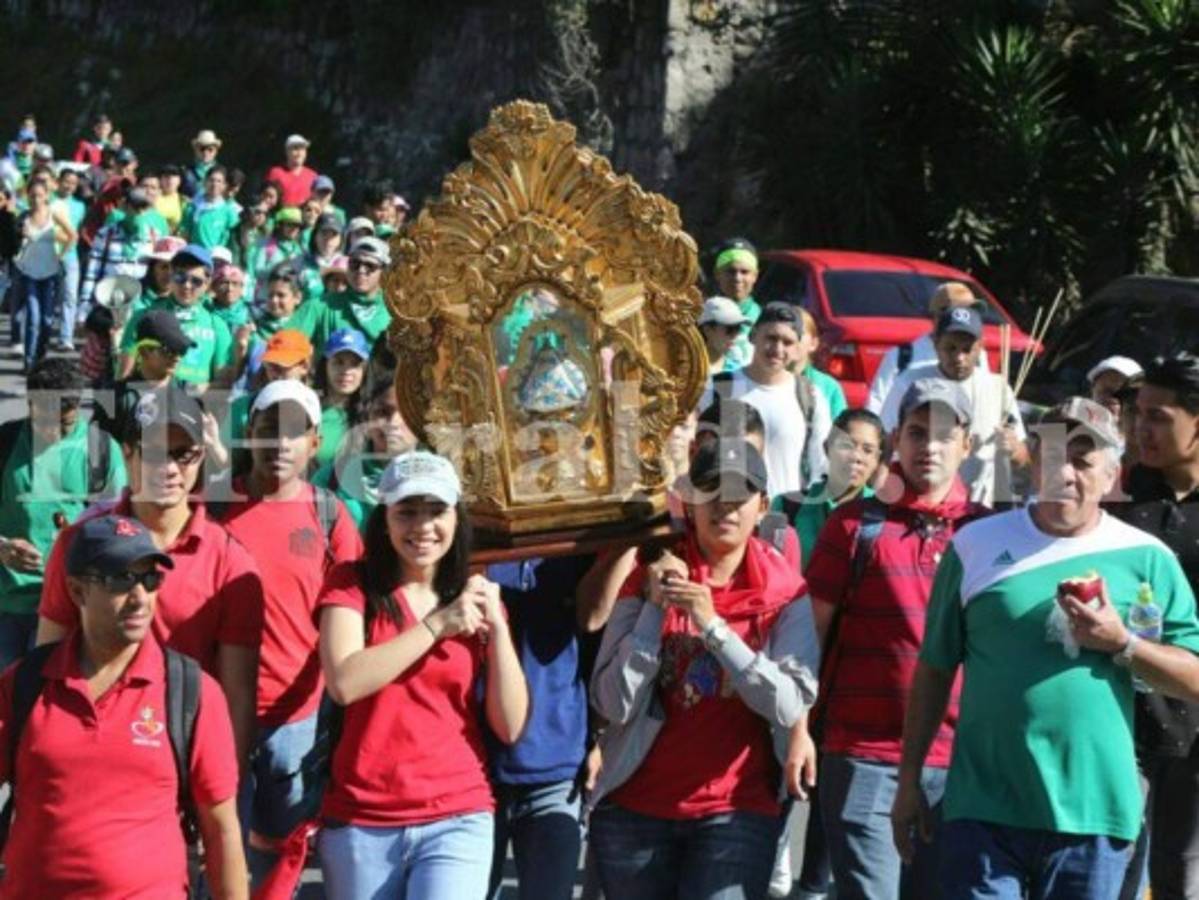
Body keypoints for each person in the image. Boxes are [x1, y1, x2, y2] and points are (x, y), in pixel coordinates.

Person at [894, 397, 1199, 900]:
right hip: (983, 809)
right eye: (1053, 455)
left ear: (1111, 474)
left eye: (1082, 460)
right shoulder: (975, 545)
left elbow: (1191, 675)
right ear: (1033, 463)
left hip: (1094, 813)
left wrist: (1121, 643)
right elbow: (934, 669)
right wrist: (909, 781)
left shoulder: (1148, 558)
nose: (1065, 472)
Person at [588, 439, 819, 899]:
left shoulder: (786, 592)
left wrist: (713, 628)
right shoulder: (649, 575)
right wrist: (654, 612)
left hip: (735, 810)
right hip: (636, 809)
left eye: (740, 495)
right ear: (690, 502)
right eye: (711, 491)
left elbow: (790, 701)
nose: (725, 507)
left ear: (763, 505)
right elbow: (612, 701)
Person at [316, 449, 529, 898]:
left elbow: (510, 725)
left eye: (436, 511)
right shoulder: (351, 582)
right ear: (385, 518)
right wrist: (437, 626)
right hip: (363, 816)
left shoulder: (471, 595)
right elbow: (345, 682)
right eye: (407, 512)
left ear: (457, 517)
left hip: (457, 811)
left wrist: (499, 627)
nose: (422, 527)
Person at [804, 380, 987, 900]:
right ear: (895, 440)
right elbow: (810, 639)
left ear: (966, 445)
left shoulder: (989, 533)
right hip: (863, 753)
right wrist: (796, 732)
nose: (929, 446)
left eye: (945, 435)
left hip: (958, 761)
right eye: (916, 432)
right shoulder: (851, 526)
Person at [0, 513, 247, 898]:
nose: (139, 597)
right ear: (77, 591)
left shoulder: (191, 691)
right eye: (120, 579)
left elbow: (222, 829)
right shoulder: (24, 683)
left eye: (150, 578)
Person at [36, 383, 263, 763]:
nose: (170, 468)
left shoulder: (230, 562)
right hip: (83, 751)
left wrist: (222, 789)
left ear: (201, 458)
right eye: (155, 452)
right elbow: (45, 658)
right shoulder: (77, 543)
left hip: (177, 761)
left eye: (184, 454)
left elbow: (236, 695)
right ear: (128, 454)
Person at [211, 380, 361, 884]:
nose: (280, 444)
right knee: (220, 855)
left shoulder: (331, 516)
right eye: (269, 429)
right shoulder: (207, 508)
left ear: (315, 444)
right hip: (214, 715)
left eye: (294, 432)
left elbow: (358, 616)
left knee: (280, 858)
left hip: (296, 722)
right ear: (249, 432)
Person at [484, 551, 624, 900]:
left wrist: (597, 735)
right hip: (474, 767)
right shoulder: (469, 543)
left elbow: (594, 627)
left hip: (556, 763)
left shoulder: (573, 548)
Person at [1114, 353, 1199, 900]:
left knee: (1179, 875)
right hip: (1116, 712)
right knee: (1108, 866)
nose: (1142, 428)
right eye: (1138, 414)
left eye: (1160, 417)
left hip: (1192, 724)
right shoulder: (1116, 492)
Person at [0, 358, 125, 666]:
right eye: (43, 421)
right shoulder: (4, 443)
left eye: (64, 424)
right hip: (8, 607)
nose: (52, 433)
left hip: (71, 608)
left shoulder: (102, 451)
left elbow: (121, 531)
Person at [880, 305, 1028, 505]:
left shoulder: (997, 388)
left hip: (978, 508)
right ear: (935, 343)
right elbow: (886, 443)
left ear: (980, 346)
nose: (959, 357)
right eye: (951, 348)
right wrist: (881, 495)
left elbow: (1023, 458)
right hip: (919, 500)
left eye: (967, 349)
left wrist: (1014, 449)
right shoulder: (909, 382)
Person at [700, 302, 833, 498]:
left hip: (786, 519)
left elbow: (821, 466)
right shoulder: (717, 388)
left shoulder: (810, 397)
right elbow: (697, 456)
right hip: (730, 514)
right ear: (753, 336)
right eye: (771, 338)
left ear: (797, 349)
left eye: (787, 342)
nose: (778, 349)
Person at [775, 407, 885, 567]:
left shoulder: (884, 516)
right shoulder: (787, 506)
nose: (856, 457)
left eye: (867, 450)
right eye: (847, 446)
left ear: (877, 460)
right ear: (827, 448)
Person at [119, 244, 234, 389]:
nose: (186, 285)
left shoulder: (217, 325)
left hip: (191, 408)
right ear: (171, 276)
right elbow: (123, 375)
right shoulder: (143, 316)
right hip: (146, 406)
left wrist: (187, 392)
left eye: (196, 281)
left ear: (207, 284)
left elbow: (222, 385)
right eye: (180, 277)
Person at [866, 281, 991, 415]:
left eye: (972, 312)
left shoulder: (979, 355)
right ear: (937, 317)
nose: (969, 319)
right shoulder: (901, 357)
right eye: (960, 312)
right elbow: (876, 405)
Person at [313, 374, 416, 533]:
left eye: (406, 412)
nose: (393, 422)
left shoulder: (440, 479)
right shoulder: (330, 479)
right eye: (383, 412)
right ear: (368, 417)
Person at [13, 178, 75, 372]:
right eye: (32, 195)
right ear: (27, 196)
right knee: (33, 317)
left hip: (49, 273)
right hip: (28, 272)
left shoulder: (53, 214)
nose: (36, 199)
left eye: (39, 195)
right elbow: (11, 240)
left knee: (47, 321)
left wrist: (61, 255)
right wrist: (20, 235)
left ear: (47, 195)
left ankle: (40, 357)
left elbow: (73, 235)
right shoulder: (23, 217)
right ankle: (29, 362)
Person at [308, 235, 392, 351]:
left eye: (370, 266)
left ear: (384, 272)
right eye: (355, 264)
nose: (361, 270)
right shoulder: (319, 306)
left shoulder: (395, 313)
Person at [313, 328, 369, 469]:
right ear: (325, 365)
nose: (346, 371)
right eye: (339, 362)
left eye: (355, 364)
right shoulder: (310, 411)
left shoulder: (374, 413)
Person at [50, 166, 86, 350]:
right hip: (48, 254)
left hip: (70, 255)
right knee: (49, 296)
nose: (69, 186)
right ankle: (44, 332)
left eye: (73, 183)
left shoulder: (80, 206)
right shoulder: (48, 200)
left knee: (70, 296)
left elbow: (78, 231)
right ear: (58, 181)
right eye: (66, 182)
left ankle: (65, 337)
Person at [796, 308, 848, 422]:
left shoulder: (828, 386)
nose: (792, 339)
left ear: (813, 343)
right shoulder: (766, 380)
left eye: (799, 333)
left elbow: (840, 431)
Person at [122, 308, 194, 389]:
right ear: (144, 352)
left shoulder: (189, 394)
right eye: (168, 350)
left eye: (181, 350)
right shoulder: (115, 395)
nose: (177, 358)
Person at [248, 207, 305, 303]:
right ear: (280, 225)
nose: (294, 229)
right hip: (265, 300)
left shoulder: (299, 250)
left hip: (289, 303)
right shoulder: (265, 245)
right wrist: (278, 266)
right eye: (289, 225)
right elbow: (257, 272)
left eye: (297, 226)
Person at [180, 165, 240, 251]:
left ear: (224, 185)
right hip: (193, 256)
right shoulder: (192, 207)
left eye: (219, 181)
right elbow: (184, 234)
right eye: (211, 180)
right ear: (205, 182)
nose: (214, 184)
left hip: (216, 259)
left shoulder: (229, 211)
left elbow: (234, 240)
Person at [697, 295, 750, 377]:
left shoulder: (739, 373)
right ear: (707, 330)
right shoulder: (687, 370)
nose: (735, 335)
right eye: (730, 328)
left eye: (738, 328)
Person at [300, 212, 344, 304]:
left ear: (341, 239)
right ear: (315, 235)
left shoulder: (348, 265)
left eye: (334, 235)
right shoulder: (300, 263)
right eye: (324, 233)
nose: (328, 239)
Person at [136, 234, 187, 309]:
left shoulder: (190, 304)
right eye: (164, 267)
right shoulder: (135, 298)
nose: (169, 273)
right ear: (152, 269)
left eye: (174, 268)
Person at [266, 135, 318, 208]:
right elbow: (267, 199)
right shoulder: (275, 173)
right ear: (287, 151)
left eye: (303, 149)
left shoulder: (313, 176)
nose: (299, 153)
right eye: (295, 149)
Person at [183, 128, 222, 199]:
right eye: (202, 149)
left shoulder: (223, 172)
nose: (205, 153)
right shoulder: (185, 171)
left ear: (216, 151)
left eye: (210, 149)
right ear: (195, 150)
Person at [156, 163, 185, 233]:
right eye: (166, 176)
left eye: (174, 176)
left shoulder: (184, 201)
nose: (170, 179)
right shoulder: (153, 198)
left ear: (179, 180)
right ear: (160, 180)